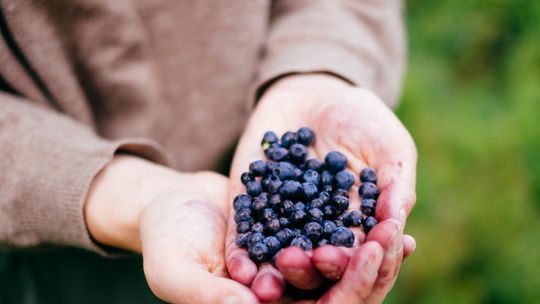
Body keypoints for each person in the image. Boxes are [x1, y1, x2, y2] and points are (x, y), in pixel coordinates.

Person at [0, 1, 417, 303]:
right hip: (45, 262)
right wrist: (108, 188)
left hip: (226, 199)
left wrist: (320, 72)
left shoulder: (284, 178)